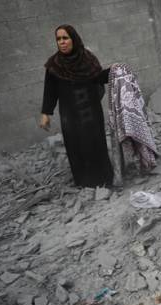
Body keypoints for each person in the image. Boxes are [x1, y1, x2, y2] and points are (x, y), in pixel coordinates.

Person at [40, 25, 113, 187]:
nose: (62, 42)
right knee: (76, 147)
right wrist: (46, 113)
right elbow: (49, 91)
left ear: (74, 39)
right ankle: (85, 183)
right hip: (70, 116)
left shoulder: (88, 59)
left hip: (91, 112)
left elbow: (97, 78)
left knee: (96, 144)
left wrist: (115, 71)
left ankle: (105, 180)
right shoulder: (54, 65)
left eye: (65, 38)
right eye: (58, 39)